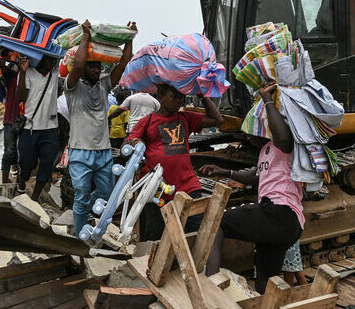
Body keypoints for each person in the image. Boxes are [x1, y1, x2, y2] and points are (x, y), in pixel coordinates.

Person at [202, 82, 304, 294]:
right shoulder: (265, 151)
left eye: (252, 131)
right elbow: (257, 178)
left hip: (280, 213)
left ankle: (211, 287)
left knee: (216, 221)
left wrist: (267, 99)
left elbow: (282, 136)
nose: (247, 135)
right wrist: (226, 172)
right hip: (284, 225)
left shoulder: (283, 145)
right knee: (265, 282)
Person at [125, 83, 224, 241]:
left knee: (197, 233)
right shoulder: (147, 121)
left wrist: (201, 95)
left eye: (181, 97)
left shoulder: (185, 118)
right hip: (156, 188)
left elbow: (217, 119)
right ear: (161, 97)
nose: (179, 101)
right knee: (156, 238)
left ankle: (193, 265)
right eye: (174, 96)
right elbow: (128, 142)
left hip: (187, 185)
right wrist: (136, 143)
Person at [65, 20, 136, 237]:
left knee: (107, 193)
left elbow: (122, 65)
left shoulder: (104, 84)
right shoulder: (72, 85)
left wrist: (130, 37)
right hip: (80, 151)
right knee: (82, 194)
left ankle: (84, 209)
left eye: (98, 66)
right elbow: (77, 66)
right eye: (92, 65)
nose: (96, 69)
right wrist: (86, 35)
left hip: (104, 151)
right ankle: (80, 236)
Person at [16, 55, 59, 201]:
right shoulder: (28, 72)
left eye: (55, 59)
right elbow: (21, 97)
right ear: (41, 58)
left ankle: (34, 197)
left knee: (47, 163)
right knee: (26, 163)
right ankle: (22, 182)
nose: (53, 61)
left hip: (50, 127)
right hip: (30, 126)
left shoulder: (55, 73)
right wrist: (22, 72)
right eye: (50, 58)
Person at [0, 48, 20, 184]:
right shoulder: (11, 75)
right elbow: (2, 66)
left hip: (23, 120)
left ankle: (18, 183)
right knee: (9, 152)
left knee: (22, 155)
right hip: (11, 118)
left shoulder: (31, 75)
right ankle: (5, 182)